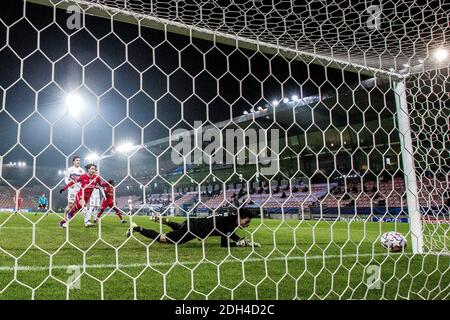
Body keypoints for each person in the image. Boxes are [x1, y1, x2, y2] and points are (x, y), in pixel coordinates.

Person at [127, 208, 261, 248]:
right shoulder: (230, 223)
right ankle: (136, 228)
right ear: (241, 217)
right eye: (247, 221)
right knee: (163, 239)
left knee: (179, 228)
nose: (248, 224)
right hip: (192, 230)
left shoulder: (230, 220)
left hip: (192, 224)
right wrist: (238, 244)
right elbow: (224, 244)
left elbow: (231, 235)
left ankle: (163, 220)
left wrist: (241, 241)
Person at [59, 164, 103, 228]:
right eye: (92, 169)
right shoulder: (83, 176)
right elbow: (73, 182)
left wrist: (108, 184)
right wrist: (64, 188)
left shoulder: (97, 178)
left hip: (87, 197)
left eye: (94, 169)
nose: (94, 170)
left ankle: (62, 223)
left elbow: (101, 184)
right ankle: (87, 222)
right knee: (84, 207)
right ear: (88, 169)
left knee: (73, 212)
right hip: (80, 195)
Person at [65, 156, 87, 222]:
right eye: (77, 160)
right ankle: (65, 218)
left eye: (79, 160)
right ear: (73, 161)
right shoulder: (69, 169)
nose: (78, 162)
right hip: (72, 189)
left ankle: (86, 221)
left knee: (83, 204)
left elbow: (85, 180)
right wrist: (69, 184)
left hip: (80, 189)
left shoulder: (82, 170)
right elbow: (66, 178)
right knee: (70, 204)